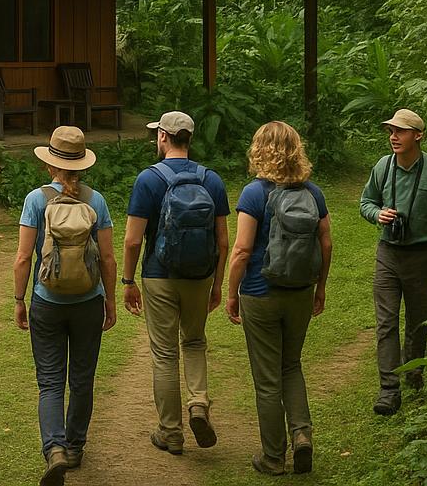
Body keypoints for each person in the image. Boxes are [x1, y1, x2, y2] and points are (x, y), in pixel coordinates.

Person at [226, 121, 332, 476]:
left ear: (260, 150)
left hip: (260, 293)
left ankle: (273, 457)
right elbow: (326, 243)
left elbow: (241, 250)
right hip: (300, 291)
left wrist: (231, 294)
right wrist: (320, 287)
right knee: (292, 365)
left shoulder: (254, 194)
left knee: (268, 378)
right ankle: (302, 435)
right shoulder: (313, 193)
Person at [122, 111, 230, 455]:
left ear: (164, 137)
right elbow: (223, 240)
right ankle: (198, 403)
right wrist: (217, 284)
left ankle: (170, 432)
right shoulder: (211, 180)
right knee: (195, 342)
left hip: (159, 275)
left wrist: (128, 280)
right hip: (200, 276)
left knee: (165, 353)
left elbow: (132, 241)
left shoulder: (148, 180)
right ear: (190, 139)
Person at [13, 127, 117, 486]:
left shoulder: (36, 200)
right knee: (83, 379)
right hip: (88, 302)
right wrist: (111, 302)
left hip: (47, 302)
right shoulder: (96, 201)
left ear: (49, 165)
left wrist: (18, 300)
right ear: (82, 165)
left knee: (51, 382)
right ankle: (74, 447)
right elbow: (107, 257)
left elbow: (23, 257)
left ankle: (54, 449)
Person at [360, 108, 427, 416]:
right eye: (390, 131)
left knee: (417, 322)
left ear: (418, 136)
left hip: (423, 256)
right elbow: (366, 202)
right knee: (386, 323)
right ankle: (389, 390)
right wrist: (378, 214)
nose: (393, 136)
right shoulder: (382, 167)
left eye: (400, 131)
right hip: (388, 253)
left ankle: (414, 371)